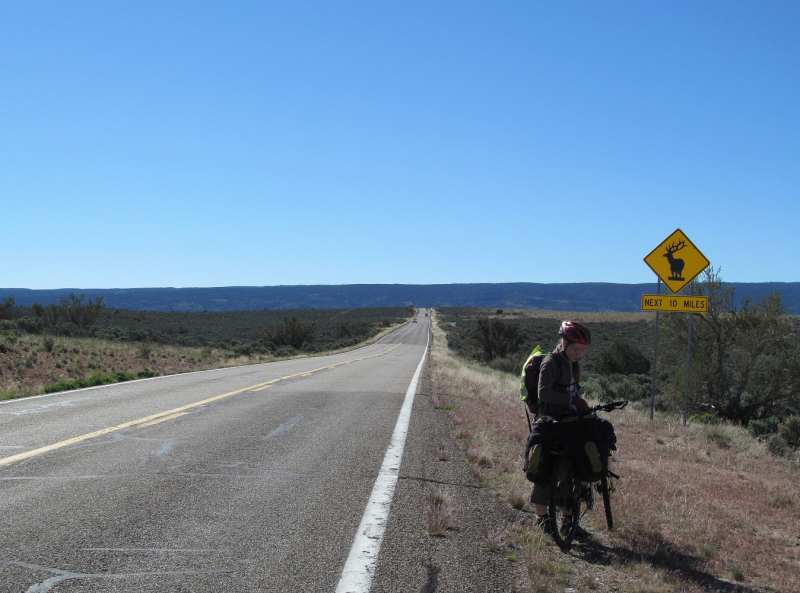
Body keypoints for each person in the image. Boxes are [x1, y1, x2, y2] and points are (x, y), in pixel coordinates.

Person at [530, 320, 592, 536]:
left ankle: (567, 519)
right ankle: (542, 517)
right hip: (548, 421)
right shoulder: (551, 362)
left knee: (571, 469)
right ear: (564, 343)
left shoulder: (574, 364)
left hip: (568, 421)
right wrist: (571, 402)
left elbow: (574, 390)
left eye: (583, 351)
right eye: (576, 349)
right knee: (543, 468)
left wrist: (580, 405)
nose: (579, 354)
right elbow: (543, 393)